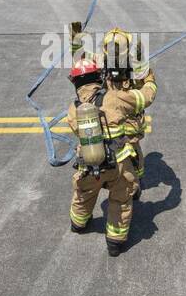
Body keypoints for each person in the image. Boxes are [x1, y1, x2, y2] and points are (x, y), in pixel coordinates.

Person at [65, 29, 158, 255]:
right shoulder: (117, 97)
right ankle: (115, 243)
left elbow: (84, 60)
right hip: (118, 162)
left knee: (83, 193)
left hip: (87, 162)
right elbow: (146, 96)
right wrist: (148, 78)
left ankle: (78, 224)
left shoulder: (74, 109)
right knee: (120, 200)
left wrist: (76, 40)